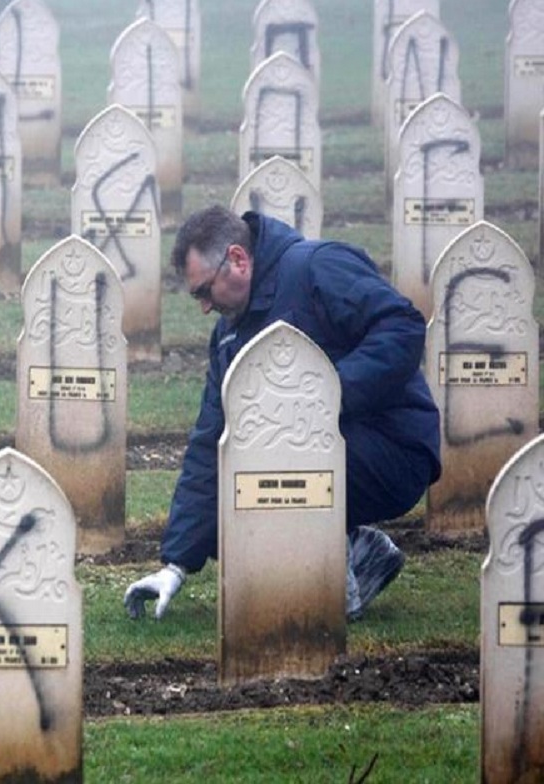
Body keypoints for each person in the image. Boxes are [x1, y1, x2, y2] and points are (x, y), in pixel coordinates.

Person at [124, 206, 441, 621]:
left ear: (237, 259)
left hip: (393, 445)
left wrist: (322, 395)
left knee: (270, 458)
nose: (203, 307)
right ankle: (362, 553)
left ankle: (331, 584)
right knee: (231, 506)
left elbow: (402, 326)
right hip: (316, 454)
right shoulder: (228, 339)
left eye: (204, 291)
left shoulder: (317, 267)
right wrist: (175, 566)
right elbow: (210, 441)